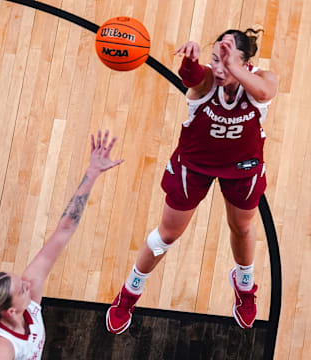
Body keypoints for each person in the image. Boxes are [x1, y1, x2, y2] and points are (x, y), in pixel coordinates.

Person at [106, 28, 278, 334]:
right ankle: (130, 292)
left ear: (244, 62)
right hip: (194, 166)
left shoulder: (263, 80)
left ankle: (244, 284)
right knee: (168, 235)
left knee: (241, 227)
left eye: (227, 60)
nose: (219, 67)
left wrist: (233, 65)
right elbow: (191, 78)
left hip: (242, 167)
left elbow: (265, 93)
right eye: (215, 58)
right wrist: (192, 60)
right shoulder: (207, 80)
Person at [0, 131, 123, 359]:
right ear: (11, 311)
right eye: (22, 288)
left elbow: (64, 229)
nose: (28, 283)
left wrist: (92, 173)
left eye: (20, 280)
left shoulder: (27, 293)